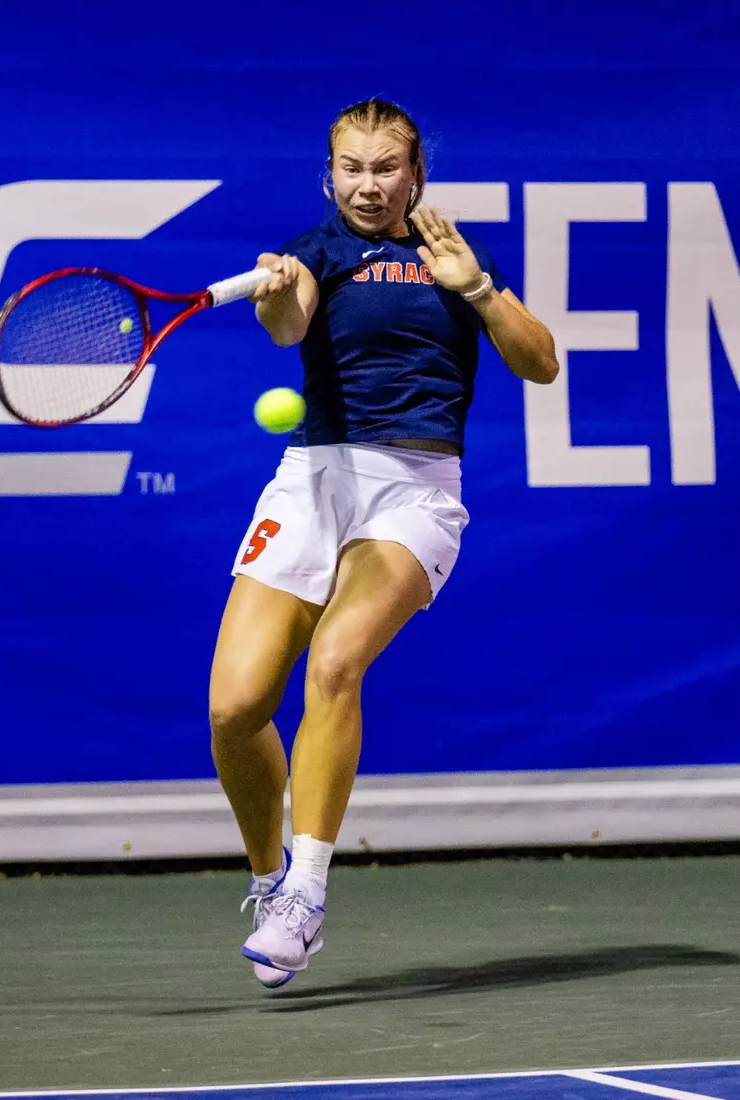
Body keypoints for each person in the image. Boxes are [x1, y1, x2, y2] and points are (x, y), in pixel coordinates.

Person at [208, 98, 558, 987]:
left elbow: (541, 361)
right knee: (235, 708)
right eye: (351, 168)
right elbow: (287, 326)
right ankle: (268, 879)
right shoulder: (314, 250)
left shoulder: (456, 254)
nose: (368, 185)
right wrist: (282, 299)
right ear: (330, 174)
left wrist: (474, 286)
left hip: (415, 491)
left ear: (416, 175)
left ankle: (309, 894)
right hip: (312, 482)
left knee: (335, 661)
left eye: (385, 168)